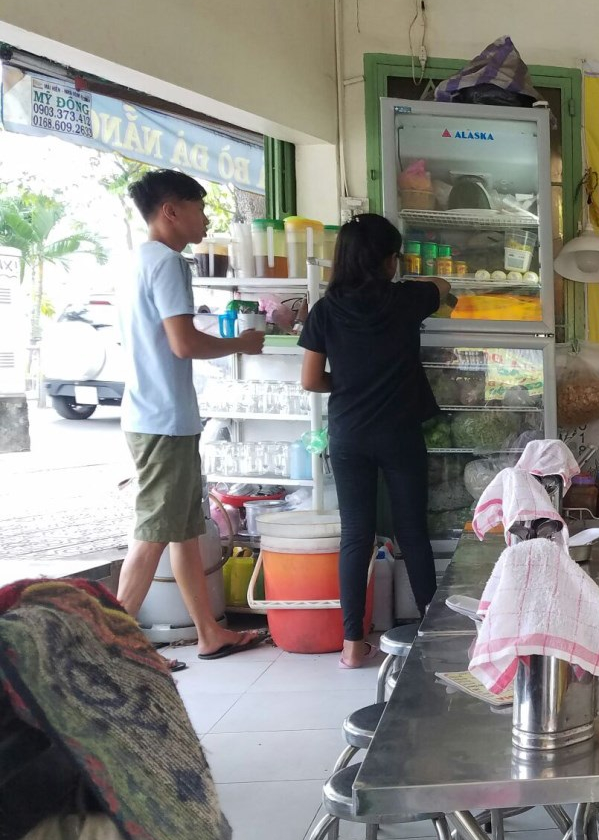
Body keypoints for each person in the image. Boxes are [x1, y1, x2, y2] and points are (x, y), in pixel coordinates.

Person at [115, 170, 268, 661]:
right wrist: (241, 343)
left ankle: (209, 632)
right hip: (162, 418)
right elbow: (183, 343)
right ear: (170, 211)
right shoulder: (168, 263)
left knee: (183, 530)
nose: (205, 220)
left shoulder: (139, 260)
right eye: (199, 209)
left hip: (154, 414)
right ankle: (113, 647)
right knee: (153, 533)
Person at [300, 214, 449, 668]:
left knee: (356, 535)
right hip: (399, 432)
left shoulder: (325, 309)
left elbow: (310, 380)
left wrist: (349, 384)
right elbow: (442, 286)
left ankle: (352, 645)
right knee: (412, 532)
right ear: (387, 260)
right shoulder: (404, 299)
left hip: (348, 433)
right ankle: (430, 629)